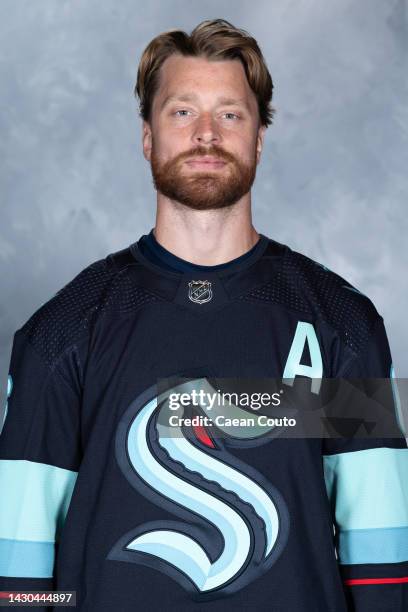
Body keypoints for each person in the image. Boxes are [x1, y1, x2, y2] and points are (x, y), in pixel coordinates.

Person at [0, 18, 407, 612]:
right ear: (147, 136)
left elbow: (381, 555)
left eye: (231, 114)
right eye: (182, 112)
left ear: (260, 138)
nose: (207, 134)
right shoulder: (61, 332)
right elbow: (20, 569)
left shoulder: (342, 323)